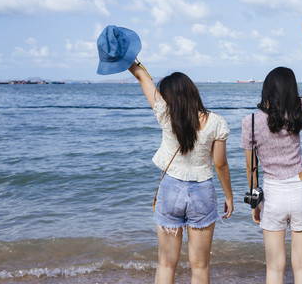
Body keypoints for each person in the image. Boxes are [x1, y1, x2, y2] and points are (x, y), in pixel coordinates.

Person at [96, 25, 233, 284]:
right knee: (200, 267)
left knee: (166, 264)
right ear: (193, 91)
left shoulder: (164, 113)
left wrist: (125, 54)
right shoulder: (217, 122)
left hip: (170, 190)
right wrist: (229, 195)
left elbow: (141, 76)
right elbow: (220, 164)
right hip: (203, 192)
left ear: (170, 97)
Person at [240, 23, 302, 284]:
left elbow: (251, 170)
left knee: (274, 268)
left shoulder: (250, 121)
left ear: (267, 89)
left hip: (273, 193)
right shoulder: (298, 110)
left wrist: (254, 202)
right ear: (291, 89)